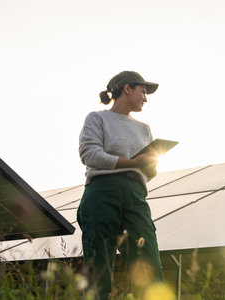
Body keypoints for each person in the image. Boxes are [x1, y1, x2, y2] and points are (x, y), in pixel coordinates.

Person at [77, 71, 163, 299]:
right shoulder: (97, 118)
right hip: (102, 193)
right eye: (143, 92)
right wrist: (132, 162)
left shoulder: (144, 129)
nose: (145, 98)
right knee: (99, 265)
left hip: (135, 195)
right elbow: (89, 153)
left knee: (148, 258)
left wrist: (149, 164)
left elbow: (148, 172)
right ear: (127, 88)